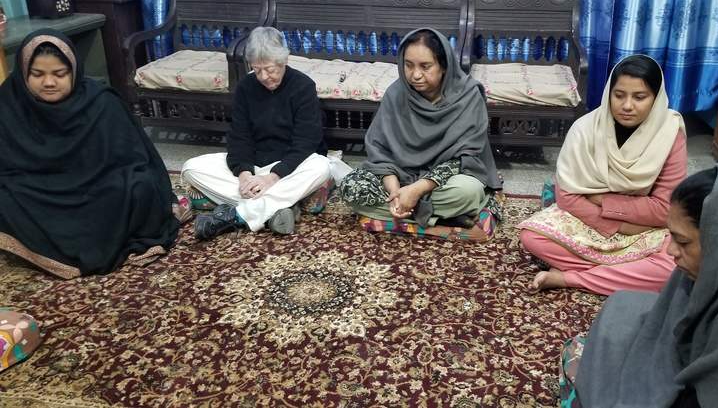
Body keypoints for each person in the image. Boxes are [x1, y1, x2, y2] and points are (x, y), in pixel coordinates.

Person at [559, 165, 718, 408]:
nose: (671, 251)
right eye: (671, 236)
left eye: (683, 241)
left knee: (603, 362)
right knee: (622, 306)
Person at [0, 29, 180, 278]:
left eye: (60, 74)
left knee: (142, 185)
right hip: (40, 189)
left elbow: (133, 158)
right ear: (22, 74)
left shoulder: (101, 102)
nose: (49, 83)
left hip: (98, 185)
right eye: (37, 74)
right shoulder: (9, 104)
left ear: (74, 71)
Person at [517, 55, 687, 295]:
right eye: (619, 95)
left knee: (674, 268)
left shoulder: (670, 133)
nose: (627, 106)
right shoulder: (585, 129)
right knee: (532, 237)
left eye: (640, 97)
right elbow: (567, 196)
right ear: (609, 93)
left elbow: (665, 209)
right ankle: (628, 274)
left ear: (656, 98)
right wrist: (618, 226)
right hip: (597, 222)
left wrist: (603, 200)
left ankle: (571, 278)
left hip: (648, 229)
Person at [339, 28, 502, 228]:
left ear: (444, 66)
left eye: (425, 66)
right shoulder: (396, 94)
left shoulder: (468, 96)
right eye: (408, 65)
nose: (415, 75)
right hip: (399, 175)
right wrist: (395, 191)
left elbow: (465, 157)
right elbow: (380, 150)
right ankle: (438, 217)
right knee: (351, 187)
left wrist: (416, 190)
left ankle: (403, 211)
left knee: (467, 191)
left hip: (445, 178)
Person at [182, 26, 330, 239]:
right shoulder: (245, 87)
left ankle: (237, 215)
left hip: (288, 169)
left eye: (269, 69)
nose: (263, 76)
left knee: (321, 167)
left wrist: (272, 178)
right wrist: (244, 175)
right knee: (191, 168)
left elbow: (306, 142)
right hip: (254, 167)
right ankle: (275, 210)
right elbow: (239, 136)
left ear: (284, 61)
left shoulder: (303, 86)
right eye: (257, 69)